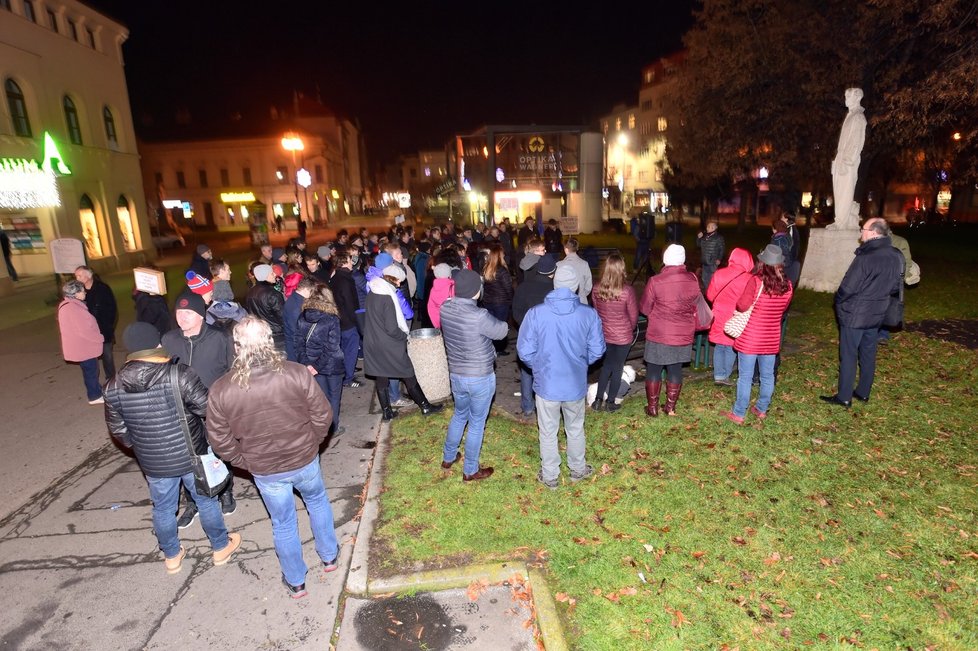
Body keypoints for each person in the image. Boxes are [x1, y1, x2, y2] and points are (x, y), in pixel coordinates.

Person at [206, 317, 338, 599]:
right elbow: (324, 415)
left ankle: (296, 581)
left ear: (238, 346)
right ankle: (329, 557)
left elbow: (219, 439)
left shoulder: (222, 388)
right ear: (269, 341)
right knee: (317, 502)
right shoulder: (297, 373)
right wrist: (312, 443)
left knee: (283, 523)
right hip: (304, 459)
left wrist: (245, 460)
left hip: (266, 469)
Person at [104, 322, 241, 575]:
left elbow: (118, 429)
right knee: (207, 502)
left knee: (163, 508)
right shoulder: (178, 374)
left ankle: (171, 556)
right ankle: (220, 547)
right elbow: (207, 409)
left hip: (154, 462)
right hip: (191, 454)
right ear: (157, 344)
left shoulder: (112, 386)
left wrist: (142, 447)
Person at [518, 265, 605, 489]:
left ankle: (551, 477)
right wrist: (580, 363)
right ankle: (577, 469)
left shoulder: (536, 313)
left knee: (547, 430)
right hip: (574, 383)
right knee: (575, 427)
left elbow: (525, 351)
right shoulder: (588, 314)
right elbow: (597, 349)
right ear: (576, 287)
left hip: (547, 383)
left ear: (555, 284)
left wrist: (539, 366)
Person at [162, 290, 237, 525]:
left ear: (201, 315)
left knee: (218, 452)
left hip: (213, 410)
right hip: (180, 414)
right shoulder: (169, 340)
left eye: (188, 312)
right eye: (179, 312)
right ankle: (192, 502)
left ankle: (225, 491)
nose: (181, 317)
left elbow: (232, 370)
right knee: (188, 460)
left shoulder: (220, 338)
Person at [820, 218, 903, 407]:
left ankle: (844, 397)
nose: (860, 233)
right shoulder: (895, 255)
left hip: (855, 315)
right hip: (877, 313)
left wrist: (838, 301)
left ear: (873, 232)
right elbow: (896, 285)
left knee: (849, 355)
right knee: (868, 353)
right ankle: (864, 392)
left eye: (863, 229)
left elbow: (847, 287)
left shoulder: (865, 257)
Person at [439, 269, 508, 482]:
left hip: (457, 374)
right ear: (476, 291)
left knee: (460, 414)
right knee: (477, 422)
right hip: (479, 375)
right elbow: (502, 331)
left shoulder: (445, 308)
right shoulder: (479, 315)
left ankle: (448, 457)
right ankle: (470, 469)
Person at [722, 245, 794, 424]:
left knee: (745, 377)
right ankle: (761, 409)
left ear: (762, 262)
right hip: (771, 337)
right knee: (767, 376)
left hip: (750, 338)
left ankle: (739, 413)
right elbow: (782, 309)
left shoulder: (756, 282)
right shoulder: (788, 285)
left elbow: (742, 305)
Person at [364, 264, 444, 421]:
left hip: (373, 343)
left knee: (381, 378)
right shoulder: (386, 298)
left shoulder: (373, 291)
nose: (400, 284)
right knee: (408, 374)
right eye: (399, 281)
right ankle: (426, 407)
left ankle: (387, 412)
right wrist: (404, 336)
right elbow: (392, 328)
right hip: (389, 345)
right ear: (392, 279)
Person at [638, 244, 700, 417]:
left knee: (653, 370)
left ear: (666, 259)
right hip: (682, 333)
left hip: (659, 332)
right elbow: (695, 304)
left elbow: (644, 307)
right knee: (675, 369)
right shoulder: (693, 279)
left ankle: (652, 408)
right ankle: (670, 408)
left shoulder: (656, 281)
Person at [591, 254, 639, 412]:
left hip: (605, 334)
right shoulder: (627, 291)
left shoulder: (596, 288)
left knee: (606, 366)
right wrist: (629, 329)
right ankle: (610, 402)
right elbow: (633, 316)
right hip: (622, 335)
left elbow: (597, 313)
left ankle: (598, 400)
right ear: (621, 269)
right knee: (617, 368)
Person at [295, 283, 345, 434]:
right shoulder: (331, 319)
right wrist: (316, 365)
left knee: (321, 398)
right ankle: (333, 428)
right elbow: (332, 346)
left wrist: (308, 364)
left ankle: (323, 428)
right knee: (334, 397)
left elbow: (298, 342)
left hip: (312, 365)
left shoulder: (302, 316)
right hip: (332, 365)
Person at [512, 253, 556, 421]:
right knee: (548, 368)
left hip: (528, 334)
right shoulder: (553, 289)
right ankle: (547, 402)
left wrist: (526, 325)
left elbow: (515, 312)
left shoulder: (523, 287)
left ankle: (527, 405)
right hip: (548, 336)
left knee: (526, 370)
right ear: (553, 272)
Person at [705, 248, 756, 386]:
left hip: (719, 313)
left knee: (719, 345)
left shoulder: (719, 273)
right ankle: (725, 375)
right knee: (731, 345)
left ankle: (718, 375)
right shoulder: (749, 278)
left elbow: (710, 295)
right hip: (735, 315)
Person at [56, 279, 105, 404]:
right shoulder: (74, 308)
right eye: (83, 291)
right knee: (91, 371)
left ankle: (96, 390)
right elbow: (84, 330)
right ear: (76, 294)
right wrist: (100, 338)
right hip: (83, 347)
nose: (85, 293)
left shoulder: (67, 305)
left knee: (89, 370)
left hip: (79, 346)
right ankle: (94, 395)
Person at [830, 88, 867, 230]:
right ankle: (839, 220)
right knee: (839, 191)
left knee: (845, 190)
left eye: (848, 96)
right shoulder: (851, 115)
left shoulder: (858, 117)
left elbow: (856, 141)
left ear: (856, 98)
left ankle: (841, 222)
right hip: (841, 158)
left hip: (847, 160)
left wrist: (847, 160)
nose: (846, 98)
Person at [327, 252, 364, 389]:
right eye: (349, 259)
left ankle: (348, 370)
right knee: (351, 350)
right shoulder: (345, 280)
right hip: (348, 322)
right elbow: (349, 303)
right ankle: (348, 378)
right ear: (343, 262)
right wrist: (357, 321)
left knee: (346, 349)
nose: (352, 262)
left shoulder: (337, 276)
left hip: (341, 320)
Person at [75, 266, 117, 382]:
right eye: (76, 276)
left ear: (88, 276)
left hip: (103, 328)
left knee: (107, 356)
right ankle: (93, 382)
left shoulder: (102, 289)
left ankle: (111, 380)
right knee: (90, 358)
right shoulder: (77, 292)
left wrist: (108, 325)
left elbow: (112, 308)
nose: (77, 278)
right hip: (87, 330)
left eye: (79, 275)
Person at [480, 244, 513, 355]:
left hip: (488, 302)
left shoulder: (486, 268)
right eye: (502, 253)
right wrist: (510, 300)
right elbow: (508, 287)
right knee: (499, 328)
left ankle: (491, 348)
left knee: (491, 327)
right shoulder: (502, 270)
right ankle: (498, 349)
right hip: (501, 303)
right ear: (499, 255)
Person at [245, 264, 286, 352]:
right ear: (265, 276)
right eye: (272, 273)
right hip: (278, 336)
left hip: (262, 336)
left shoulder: (250, 293)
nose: (275, 275)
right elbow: (283, 317)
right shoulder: (273, 294)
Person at [283, 277, 317, 362]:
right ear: (305, 290)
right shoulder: (296, 307)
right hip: (296, 347)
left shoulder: (294, 299)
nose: (312, 294)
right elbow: (298, 330)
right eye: (311, 291)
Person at [556, 238, 592, 304]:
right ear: (577, 248)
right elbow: (588, 286)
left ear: (566, 249)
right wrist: (582, 294)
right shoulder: (584, 264)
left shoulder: (559, 265)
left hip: (563, 301)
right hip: (581, 301)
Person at [696, 220, 725, 290]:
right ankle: (707, 292)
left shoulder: (719, 237)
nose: (709, 228)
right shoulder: (704, 236)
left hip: (713, 262)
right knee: (704, 278)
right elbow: (698, 245)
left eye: (711, 227)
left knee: (712, 278)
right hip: (704, 261)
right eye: (708, 226)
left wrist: (719, 259)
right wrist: (698, 238)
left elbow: (722, 249)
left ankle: (713, 292)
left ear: (715, 228)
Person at [428, 263, 455, 329]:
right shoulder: (452, 287)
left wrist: (437, 324)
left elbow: (431, 307)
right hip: (451, 321)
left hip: (439, 322)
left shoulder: (433, 289)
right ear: (449, 274)